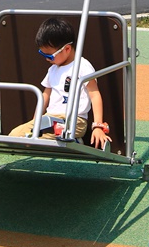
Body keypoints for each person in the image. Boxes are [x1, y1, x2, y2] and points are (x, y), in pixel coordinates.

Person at [8, 17, 112, 149]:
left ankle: (72, 140)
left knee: (34, 139)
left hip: (74, 120)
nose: (47, 59)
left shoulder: (82, 66)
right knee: (14, 135)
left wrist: (98, 126)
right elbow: (45, 96)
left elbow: (95, 95)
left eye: (50, 56)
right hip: (50, 119)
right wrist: (35, 121)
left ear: (67, 49)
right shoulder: (53, 69)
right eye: (43, 54)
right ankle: (57, 138)